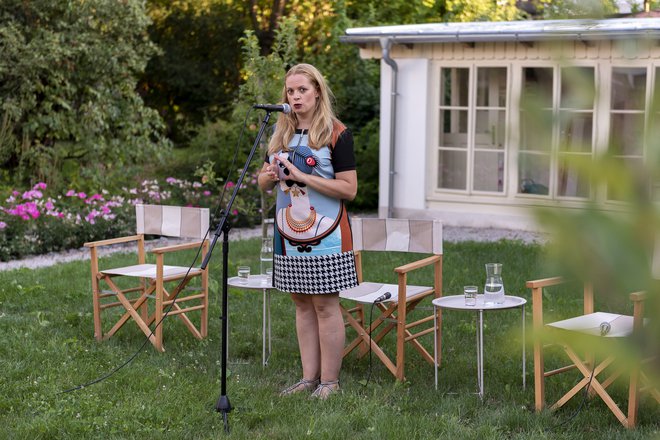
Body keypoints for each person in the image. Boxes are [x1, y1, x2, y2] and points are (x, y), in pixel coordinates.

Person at [257, 63, 358, 399]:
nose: (295, 96)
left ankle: (330, 383)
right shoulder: (280, 133)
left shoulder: (336, 133)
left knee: (326, 305)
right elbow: (261, 184)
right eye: (290, 91)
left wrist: (304, 178)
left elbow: (349, 189)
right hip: (287, 234)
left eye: (302, 90)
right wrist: (269, 176)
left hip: (327, 235)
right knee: (301, 303)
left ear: (317, 92)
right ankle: (307, 379)